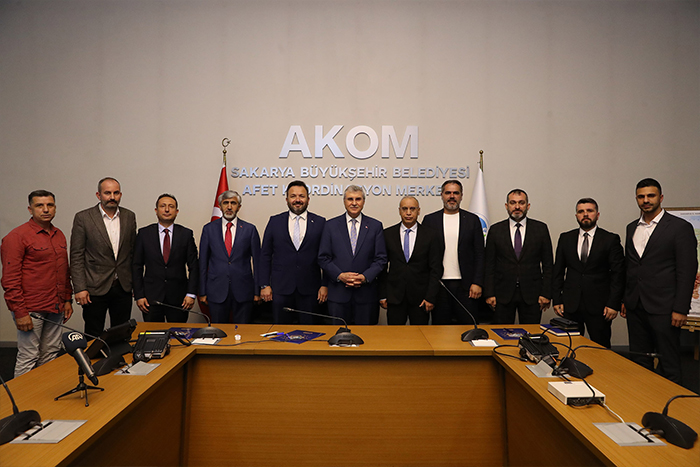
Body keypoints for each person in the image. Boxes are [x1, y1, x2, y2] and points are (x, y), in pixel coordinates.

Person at [621, 178, 697, 383]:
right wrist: (625, 299)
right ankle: (642, 397)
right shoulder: (631, 228)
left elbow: (687, 270)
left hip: (665, 308)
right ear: (636, 199)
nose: (646, 200)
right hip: (635, 306)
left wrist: (681, 308)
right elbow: (631, 267)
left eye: (651, 196)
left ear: (661, 197)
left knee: (668, 361)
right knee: (639, 359)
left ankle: (671, 402)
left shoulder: (680, 227)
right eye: (641, 196)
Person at [1, 190, 73, 377]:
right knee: (29, 355)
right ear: (30, 209)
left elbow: (64, 270)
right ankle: (20, 395)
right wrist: (20, 312)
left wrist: (67, 299)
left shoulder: (58, 234)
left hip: (55, 305)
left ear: (55, 208)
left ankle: (44, 393)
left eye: (50, 205)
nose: (45, 209)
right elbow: (9, 279)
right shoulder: (17, 237)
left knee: (51, 353)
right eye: (39, 205)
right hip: (31, 308)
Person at [552, 198, 624, 348]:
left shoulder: (610, 239)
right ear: (576, 216)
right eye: (581, 211)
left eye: (589, 211)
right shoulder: (566, 238)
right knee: (570, 347)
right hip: (570, 304)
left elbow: (618, 274)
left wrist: (613, 304)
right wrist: (557, 299)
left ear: (597, 214)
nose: (585, 214)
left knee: (600, 348)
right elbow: (558, 270)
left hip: (600, 306)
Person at [70, 177, 136, 337]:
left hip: (122, 286)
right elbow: (76, 255)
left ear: (120, 195)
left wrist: (135, 283)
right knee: (93, 334)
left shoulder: (129, 216)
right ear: (98, 195)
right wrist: (80, 288)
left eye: (116, 193)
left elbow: (132, 252)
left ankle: (118, 355)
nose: (112, 197)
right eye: (107, 193)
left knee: (122, 333)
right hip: (94, 287)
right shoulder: (83, 218)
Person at [259, 181, 327, 324]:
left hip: (310, 290)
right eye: (293, 196)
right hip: (280, 289)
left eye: (301, 196)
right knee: (281, 331)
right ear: (287, 199)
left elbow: (326, 257)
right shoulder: (275, 221)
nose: (297, 200)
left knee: (309, 331)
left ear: (308, 199)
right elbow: (265, 255)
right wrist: (264, 285)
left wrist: (325, 285)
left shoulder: (320, 222)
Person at [318, 185, 387, 325]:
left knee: (366, 336)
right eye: (350, 199)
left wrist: (365, 277)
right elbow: (323, 258)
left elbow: (381, 259)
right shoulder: (330, 226)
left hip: (366, 295)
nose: (354, 203)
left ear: (363, 202)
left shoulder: (375, 226)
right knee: (339, 335)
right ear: (344, 201)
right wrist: (340, 275)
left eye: (358, 199)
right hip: (338, 295)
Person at [484, 189, 553, 324]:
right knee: (501, 333)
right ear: (506, 206)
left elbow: (548, 264)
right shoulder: (496, 230)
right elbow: (489, 264)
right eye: (513, 203)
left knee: (531, 334)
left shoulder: (540, 229)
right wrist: (489, 293)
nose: (517, 207)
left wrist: (546, 293)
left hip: (532, 294)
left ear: (528, 206)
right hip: (502, 294)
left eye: (521, 203)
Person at [422, 180, 485, 325]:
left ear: (461, 196)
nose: (452, 196)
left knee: (468, 327)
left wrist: (477, 282)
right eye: (448, 193)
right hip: (439, 285)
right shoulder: (430, 220)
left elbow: (480, 254)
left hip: (467, 286)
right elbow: (424, 255)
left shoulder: (472, 220)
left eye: (456, 193)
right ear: (442, 195)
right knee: (440, 329)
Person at [132, 194, 199, 323]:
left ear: (177, 211)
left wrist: (191, 294)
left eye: (171, 206)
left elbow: (194, 267)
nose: (167, 210)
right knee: (153, 334)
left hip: (179, 298)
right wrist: (139, 295)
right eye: (163, 206)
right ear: (156, 210)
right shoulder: (144, 234)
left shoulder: (186, 234)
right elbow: (136, 266)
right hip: (151, 298)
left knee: (178, 333)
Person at [199, 190, 261, 323]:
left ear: (239, 207)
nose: (229, 207)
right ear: (220, 206)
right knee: (218, 330)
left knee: (242, 331)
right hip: (216, 290)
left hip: (243, 290)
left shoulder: (250, 229)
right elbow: (203, 262)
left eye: (233, 203)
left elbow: (258, 263)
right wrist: (202, 292)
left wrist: (257, 291)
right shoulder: (208, 229)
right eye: (225, 203)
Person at [379, 196, 442, 325]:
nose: (408, 212)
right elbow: (382, 268)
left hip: (421, 299)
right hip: (395, 297)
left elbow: (436, 269)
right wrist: (382, 295)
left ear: (419, 211)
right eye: (405, 209)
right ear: (399, 211)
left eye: (412, 209)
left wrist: (430, 297)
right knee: (395, 335)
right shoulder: (387, 234)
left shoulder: (431, 235)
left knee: (420, 336)